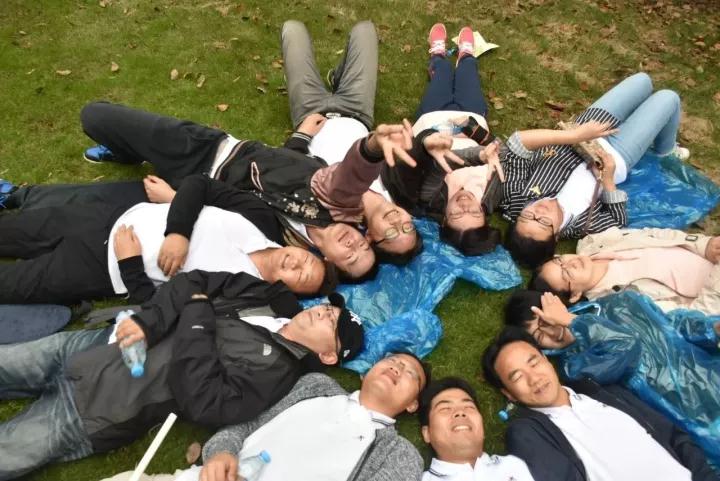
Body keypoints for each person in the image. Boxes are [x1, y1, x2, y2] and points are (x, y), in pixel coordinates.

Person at [0, 270, 365, 479]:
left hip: (96, 408)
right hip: (97, 345)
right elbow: (195, 281)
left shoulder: (276, 375)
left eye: (331, 323)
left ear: (328, 355)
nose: (322, 312)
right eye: (328, 309)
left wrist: (197, 317)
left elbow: (204, 400)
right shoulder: (268, 297)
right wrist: (150, 321)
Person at [103, 352, 431, 481]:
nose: (397, 368)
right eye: (392, 360)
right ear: (365, 373)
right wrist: (220, 454)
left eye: (410, 373)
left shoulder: (399, 453)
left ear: (413, 405)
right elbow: (246, 423)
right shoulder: (316, 386)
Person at [0, 187, 334, 304]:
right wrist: (178, 232)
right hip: (111, 217)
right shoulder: (260, 219)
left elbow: (161, 308)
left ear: (287, 289)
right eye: (307, 260)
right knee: (10, 230)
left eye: (302, 276)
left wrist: (130, 264)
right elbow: (200, 186)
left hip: (101, 267)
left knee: (9, 285)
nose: (297, 264)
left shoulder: (239, 292)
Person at [505, 289, 720, 464]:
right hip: (699, 418)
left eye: (547, 321)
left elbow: (671, 324)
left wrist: (711, 329)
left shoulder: (620, 302)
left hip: (711, 372)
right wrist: (571, 321)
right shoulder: (573, 367)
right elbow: (625, 346)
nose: (552, 332)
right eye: (540, 335)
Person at [500, 72, 689, 267]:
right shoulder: (582, 226)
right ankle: (665, 151)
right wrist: (608, 181)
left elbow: (518, 144)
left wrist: (575, 136)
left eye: (527, 216)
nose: (538, 211)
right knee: (668, 98)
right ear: (556, 235)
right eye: (544, 223)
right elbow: (617, 221)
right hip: (619, 152)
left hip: (584, 130)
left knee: (643, 80)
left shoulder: (516, 198)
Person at [481, 327, 719, 481]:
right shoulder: (526, 433)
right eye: (517, 377)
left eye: (533, 362)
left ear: (546, 360)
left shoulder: (606, 391)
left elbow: (673, 435)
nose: (534, 378)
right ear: (509, 394)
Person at [381, 24, 505, 256]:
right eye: (474, 213)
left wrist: (474, 150)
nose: (465, 204)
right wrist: (473, 130)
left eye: (457, 214)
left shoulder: (431, 199)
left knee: (443, 72)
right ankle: (466, 54)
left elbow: (440, 161)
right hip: (472, 118)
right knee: (469, 72)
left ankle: (437, 54)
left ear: (445, 219)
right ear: (484, 214)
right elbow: (500, 151)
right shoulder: (492, 196)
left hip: (433, 118)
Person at [529, 226, 720, 315]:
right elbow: (697, 315)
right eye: (566, 274)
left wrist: (705, 245)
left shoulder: (595, 242)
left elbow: (654, 233)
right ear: (574, 295)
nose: (570, 263)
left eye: (560, 261)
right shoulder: (621, 304)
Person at [418, 376, 534, 481]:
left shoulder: (514, 466)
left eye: (469, 407)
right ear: (427, 433)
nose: (460, 412)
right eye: (445, 408)